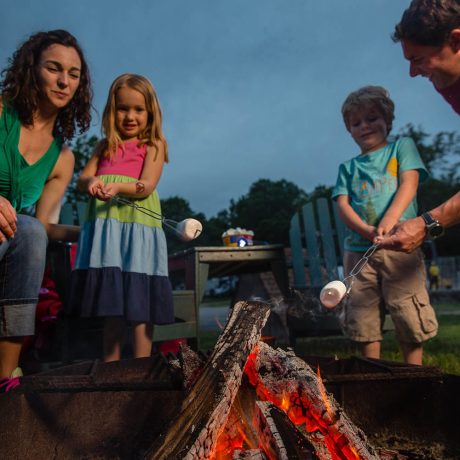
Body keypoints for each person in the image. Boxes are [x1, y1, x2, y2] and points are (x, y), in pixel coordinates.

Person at [0, 30, 92, 392]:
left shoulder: (63, 158)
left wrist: (92, 231)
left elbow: (44, 225)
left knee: (31, 232)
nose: (63, 80)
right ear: (31, 68)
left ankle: (5, 379)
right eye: (54, 68)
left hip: (11, 239)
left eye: (73, 73)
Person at [69, 74, 174, 362]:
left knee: (140, 299)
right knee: (112, 300)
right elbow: (82, 179)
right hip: (107, 231)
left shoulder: (153, 144)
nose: (130, 116)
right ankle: (110, 367)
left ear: (150, 112)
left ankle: (141, 367)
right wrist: (91, 182)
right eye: (123, 108)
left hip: (138, 228)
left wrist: (118, 186)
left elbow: (147, 185)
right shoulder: (104, 147)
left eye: (138, 110)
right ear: (112, 111)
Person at [333, 85, 438, 365]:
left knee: (407, 310)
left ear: (388, 120)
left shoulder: (401, 148)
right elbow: (342, 205)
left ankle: (413, 373)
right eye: (356, 123)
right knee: (362, 313)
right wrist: (366, 230)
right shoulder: (348, 168)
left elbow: (410, 183)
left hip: (400, 247)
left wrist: (390, 219)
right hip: (358, 253)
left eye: (372, 118)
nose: (364, 126)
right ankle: (373, 372)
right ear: (349, 130)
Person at [376, 0, 460, 252]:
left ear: (456, 41)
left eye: (419, 59)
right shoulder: (448, 79)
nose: (413, 73)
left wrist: (428, 224)